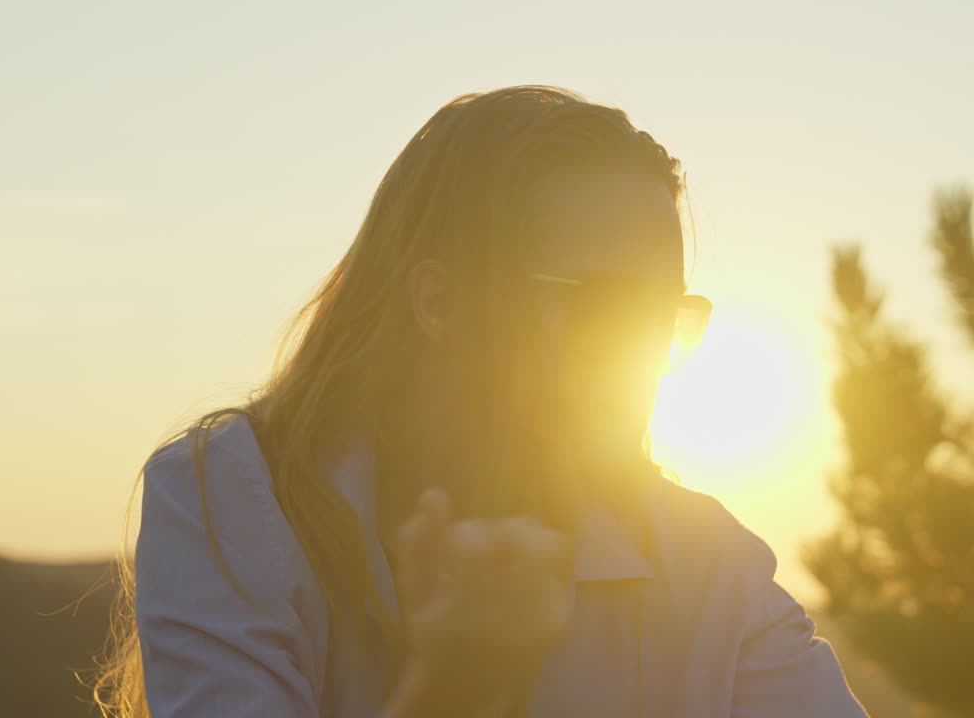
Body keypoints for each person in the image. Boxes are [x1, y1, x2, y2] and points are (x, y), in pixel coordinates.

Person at [94, 85, 868, 717]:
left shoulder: (709, 565)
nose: (643, 358)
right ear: (440, 301)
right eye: (600, 306)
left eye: (665, 315)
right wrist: (458, 688)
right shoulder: (241, 496)